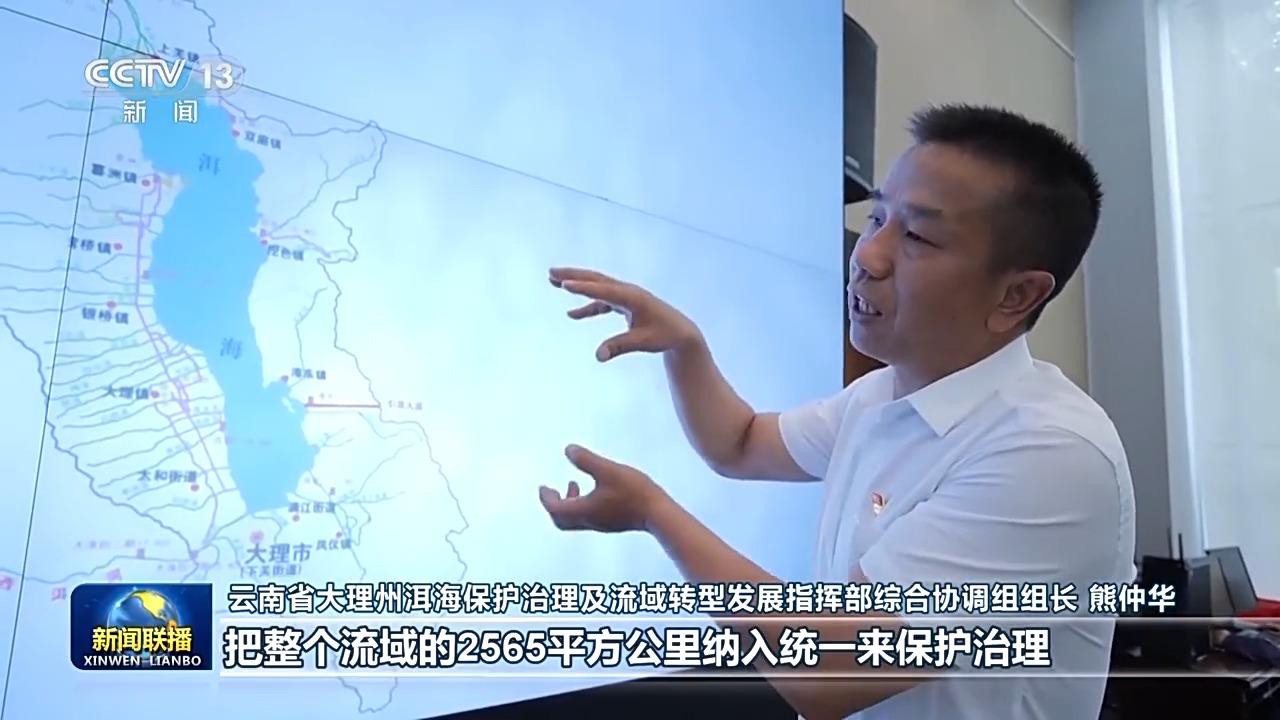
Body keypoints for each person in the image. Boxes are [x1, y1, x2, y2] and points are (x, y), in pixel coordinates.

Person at [538, 103, 1137, 720]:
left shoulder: (1049, 451)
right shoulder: (879, 397)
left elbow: (829, 669)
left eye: (917, 237)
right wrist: (685, 347)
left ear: (1017, 294)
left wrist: (653, 514)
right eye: (876, 218)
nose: (868, 256)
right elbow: (740, 442)